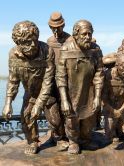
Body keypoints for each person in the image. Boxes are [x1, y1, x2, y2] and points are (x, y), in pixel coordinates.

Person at [2, 21, 54, 154]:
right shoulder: (13, 55)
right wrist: (8, 103)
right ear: (18, 43)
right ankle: (33, 141)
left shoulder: (47, 51)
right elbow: (13, 80)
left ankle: (58, 136)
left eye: (34, 40)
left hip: (50, 93)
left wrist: (39, 104)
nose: (32, 45)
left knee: (56, 122)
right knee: (26, 117)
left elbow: (48, 82)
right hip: (30, 93)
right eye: (26, 42)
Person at [56, 20, 104, 154]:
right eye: (84, 34)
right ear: (76, 35)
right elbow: (60, 76)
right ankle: (73, 142)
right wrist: (64, 100)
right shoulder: (65, 49)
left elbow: (99, 73)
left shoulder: (96, 49)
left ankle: (85, 139)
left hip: (89, 91)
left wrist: (97, 96)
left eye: (90, 33)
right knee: (72, 120)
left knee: (89, 120)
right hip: (72, 92)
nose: (88, 37)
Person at [46, 11, 71, 150]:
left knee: (65, 109)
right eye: (53, 28)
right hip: (52, 80)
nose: (56, 31)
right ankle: (56, 135)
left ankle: (67, 136)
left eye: (58, 27)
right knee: (52, 111)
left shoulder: (70, 40)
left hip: (67, 80)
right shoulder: (49, 41)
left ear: (63, 25)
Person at [103, 55, 124, 144]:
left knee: (120, 121)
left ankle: (119, 131)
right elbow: (103, 96)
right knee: (109, 131)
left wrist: (121, 110)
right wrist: (111, 110)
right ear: (117, 65)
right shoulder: (108, 75)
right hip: (109, 104)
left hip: (122, 104)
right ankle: (111, 134)